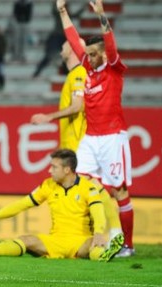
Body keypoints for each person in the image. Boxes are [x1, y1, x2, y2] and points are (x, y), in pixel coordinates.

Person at [57, 0, 135, 257]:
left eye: (93, 54)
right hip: (92, 138)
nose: (88, 58)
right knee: (84, 183)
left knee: (119, 190)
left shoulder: (113, 67)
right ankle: (99, 237)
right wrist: (62, 11)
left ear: (103, 53)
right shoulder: (88, 67)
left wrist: (101, 15)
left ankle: (127, 245)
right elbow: (72, 36)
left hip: (113, 136)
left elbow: (110, 43)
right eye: (87, 54)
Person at [30, 39, 124, 247]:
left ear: (71, 49)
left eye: (64, 45)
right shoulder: (75, 74)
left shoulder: (80, 73)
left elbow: (78, 106)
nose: (62, 47)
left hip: (80, 142)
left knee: (96, 188)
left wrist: (48, 117)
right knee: (92, 190)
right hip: (75, 142)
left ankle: (116, 233)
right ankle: (102, 235)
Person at [0, 149, 124, 261]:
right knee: (26, 239)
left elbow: (98, 213)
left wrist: (98, 232)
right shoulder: (48, 185)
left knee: (93, 245)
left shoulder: (88, 187)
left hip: (81, 241)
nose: (50, 170)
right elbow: (24, 203)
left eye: (54, 167)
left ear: (67, 169)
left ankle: (103, 253)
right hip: (54, 241)